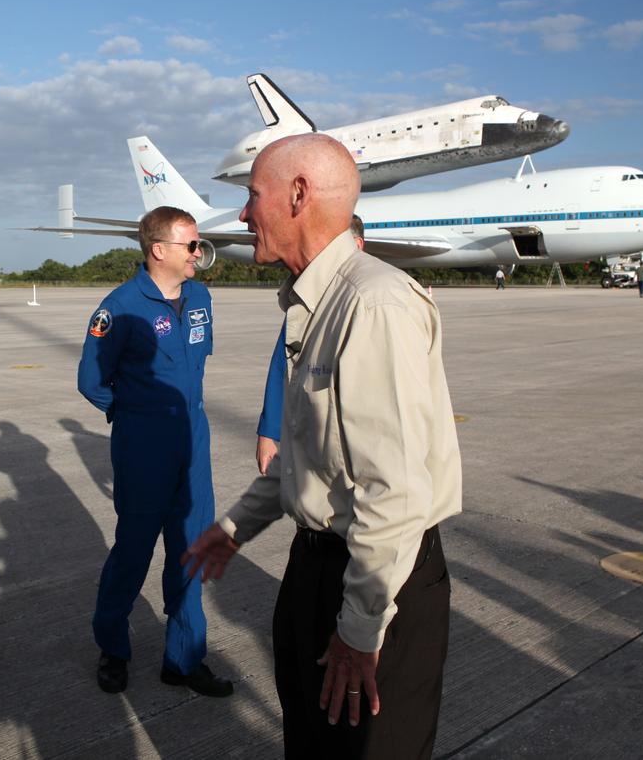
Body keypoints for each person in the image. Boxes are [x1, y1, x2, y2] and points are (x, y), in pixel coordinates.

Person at [183, 133, 462, 759]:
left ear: (298, 196)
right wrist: (236, 526)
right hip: (316, 570)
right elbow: (309, 456)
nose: (245, 214)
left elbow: (394, 490)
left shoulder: (373, 303)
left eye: (253, 196)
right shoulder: (314, 304)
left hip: (376, 581)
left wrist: (361, 631)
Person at [77, 205, 233, 698]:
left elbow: (196, 365)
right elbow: (91, 380)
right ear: (158, 249)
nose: (198, 253)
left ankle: (184, 658)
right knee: (133, 550)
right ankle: (113, 649)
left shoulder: (201, 296)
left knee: (191, 548)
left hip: (193, 443)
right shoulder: (120, 307)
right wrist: (135, 414)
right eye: (190, 244)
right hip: (143, 447)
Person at [256, 215, 364, 475]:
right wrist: (268, 433)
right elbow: (281, 364)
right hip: (313, 437)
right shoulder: (306, 297)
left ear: (357, 245)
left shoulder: (372, 298)